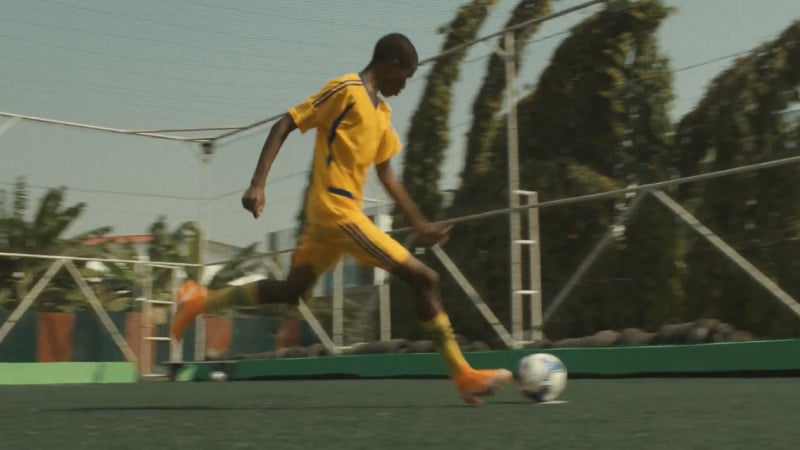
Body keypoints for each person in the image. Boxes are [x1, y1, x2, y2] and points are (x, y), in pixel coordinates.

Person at [169, 33, 511, 405]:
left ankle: (200, 300)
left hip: (332, 219)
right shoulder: (346, 90)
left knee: (290, 292)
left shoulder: (382, 115)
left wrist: (421, 225)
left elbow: (387, 176)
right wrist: (257, 184)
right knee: (425, 279)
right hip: (336, 211)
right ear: (392, 64)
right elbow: (285, 123)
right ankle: (463, 375)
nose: (404, 85)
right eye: (406, 76)